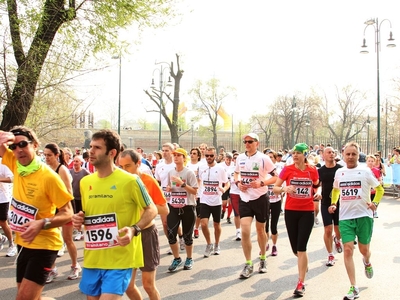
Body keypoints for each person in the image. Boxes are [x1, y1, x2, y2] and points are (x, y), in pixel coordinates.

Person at [72, 129, 157, 299]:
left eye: (97, 147)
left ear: (112, 153)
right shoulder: (85, 181)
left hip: (121, 257)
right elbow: (89, 215)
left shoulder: (130, 181)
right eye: (90, 146)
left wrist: (134, 229)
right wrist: (78, 219)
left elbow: (151, 209)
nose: (91, 151)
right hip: (93, 257)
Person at [0, 126, 73, 299]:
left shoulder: (49, 177)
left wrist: (42, 223)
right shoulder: (16, 164)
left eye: (23, 144)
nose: (18, 150)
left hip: (45, 245)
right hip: (24, 243)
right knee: (30, 296)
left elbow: (68, 213)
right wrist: (5, 136)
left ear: (35, 145)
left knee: (24, 298)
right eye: (14, 146)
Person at [329, 142, 384, 300]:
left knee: (364, 250)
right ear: (344, 155)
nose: (351, 157)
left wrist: (375, 203)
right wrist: (333, 203)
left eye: (354, 154)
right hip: (345, 217)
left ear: (358, 155)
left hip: (364, 216)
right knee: (347, 250)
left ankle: (367, 262)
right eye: (348, 154)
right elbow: (336, 189)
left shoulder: (365, 171)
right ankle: (353, 287)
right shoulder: (340, 172)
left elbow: (379, 189)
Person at [119, 149, 169, 300]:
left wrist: (145, 207)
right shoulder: (119, 182)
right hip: (129, 235)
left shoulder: (147, 180)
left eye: (127, 166)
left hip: (146, 233)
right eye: (120, 167)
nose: (123, 170)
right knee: (127, 285)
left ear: (138, 164)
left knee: (148, 285)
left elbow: (164, 208)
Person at [272, 142, 319, 297]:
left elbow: (318, 185)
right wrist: (284, 188)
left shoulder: (312, 170)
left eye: (298, 153)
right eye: (294, 153)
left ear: (305, 154)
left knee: (301, 247)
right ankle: (303, 262)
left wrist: (318, 193)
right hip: (291, 211)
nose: (295, 155)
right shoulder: (287, 169)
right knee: (295, 249)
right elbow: (275, 188)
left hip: (307, 212)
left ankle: (300, 283)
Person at [234, 133, 276, 279]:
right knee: (245, 230)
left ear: (257, 143)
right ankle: (248, 263)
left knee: (260, 230)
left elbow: (276, 176)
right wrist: (238, 183)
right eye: (245, 141)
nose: (247, 144)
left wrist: (262, 183)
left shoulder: (264, 159)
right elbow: (236, 174)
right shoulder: (240, 158)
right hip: (245, 198)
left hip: (260, 198)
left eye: (250, 142)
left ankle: (263, 258)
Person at [43, 143, 80, 282]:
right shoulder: (45, 169)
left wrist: (60, 202)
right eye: (45, 155)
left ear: (57, 155)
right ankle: (52, 269)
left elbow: (69, 192)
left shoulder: (62, 169)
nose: (46, 158)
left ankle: (75, 265)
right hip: (50, 209)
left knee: (68, 239)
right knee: (50, 240)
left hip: (64, 209)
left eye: (49, 155)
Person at [165, 148, 198, 272]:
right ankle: (177, 258)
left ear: (184, 158)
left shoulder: (189, 172)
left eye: (179, 155)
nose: (176, 157)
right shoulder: (170, 172)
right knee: (171, 234)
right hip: (173, 206)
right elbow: (170, 186)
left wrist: (182, 184)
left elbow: (195, 191)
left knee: (187, 236)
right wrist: (169, 188)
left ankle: (189, 258)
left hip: (188, 207)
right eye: (174, 155)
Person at [198, 146, 230, 257]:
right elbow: (199, 180)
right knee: (203, 224)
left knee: (217, 224)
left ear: (215, 156)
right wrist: (198, 191)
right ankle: (209, 244)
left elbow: (227, 183)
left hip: (216, 201)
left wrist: (224, 189)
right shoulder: (201, 167)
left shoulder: (220, 169)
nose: (209, 157)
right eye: (207, 155)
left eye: (211, 155)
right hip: (204, 200)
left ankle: (217, 244)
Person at [315, 146, 343, 267]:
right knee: (327, 229)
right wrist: (318, 192)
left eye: (333, 152)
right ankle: (330, 254)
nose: (331, 154)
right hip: (326, 202)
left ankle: (337, 239)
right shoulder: (320, 171)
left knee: (339, 231)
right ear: (323, 156)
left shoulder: (341, 169)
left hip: (340, 203)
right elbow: (318, 184)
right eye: (329, 152)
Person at [70, 155, 90, 241]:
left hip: (82, 197)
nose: (75, 163)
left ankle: (83, 232)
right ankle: (78, 232)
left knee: (82, 215)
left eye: (77, 161)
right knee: (75, 215)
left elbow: (91, 180)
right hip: (73, 197)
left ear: (81, 163)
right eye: (74, 161)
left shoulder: (85, 172)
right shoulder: (70, 172)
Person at [265, 150, 281, 256]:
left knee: (273, 226)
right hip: (264, 201)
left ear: (275, 159)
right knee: (265, 226)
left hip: (276, 200)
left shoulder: (279, 170)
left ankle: (274, 245)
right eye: (267, 157)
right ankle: (265, 243)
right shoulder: (261, 170)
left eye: (271, 157)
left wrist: (281, 190)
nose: (269, 159)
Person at [0, 162, 16, 257]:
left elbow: (12, 178)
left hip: (2, 198)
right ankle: (1, 238)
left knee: (2, 222)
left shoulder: (3, 164)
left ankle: (11, 245)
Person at [186, 147, 202, 238]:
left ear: (198, 156)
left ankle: (196, 228)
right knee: (189, 213)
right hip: (188, 192)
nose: (192, 155)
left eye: (194, 153)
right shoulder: (187, 165)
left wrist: (196, 192)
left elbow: (199, 180)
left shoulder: (201, 165)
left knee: (199, 213)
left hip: (198, 192)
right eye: (191, 153)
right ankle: (190, 229)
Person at [229, 152, 242, 241]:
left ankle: (244, 230)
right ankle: (238, 231)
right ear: (233, 160)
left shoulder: (245, 168)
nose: (236, 159)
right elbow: (226, 183)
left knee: (245, 214)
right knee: (237, 213)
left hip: (245, 194)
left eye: (238, 158)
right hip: (234, 193)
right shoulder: (230, 170)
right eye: (235, 158)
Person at [219, 152, 234, 224]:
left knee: (230, 201)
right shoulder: (220, 166)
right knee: (224, 202)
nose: (228, 161)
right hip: (224, 185)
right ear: (225, 158)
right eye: (227, 159)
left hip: (232, 186)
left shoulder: (234, 166)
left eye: (230, 160)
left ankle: (228, 217)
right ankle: (224, 210)